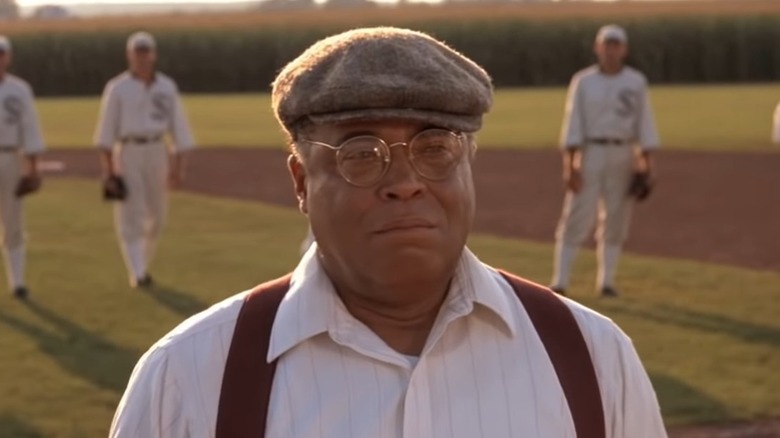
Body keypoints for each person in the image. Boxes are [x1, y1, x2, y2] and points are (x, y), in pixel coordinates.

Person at [110, 27, 667, 437]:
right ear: (301, 182)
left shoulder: (594, 360)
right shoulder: (186, 381)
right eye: (361, 154)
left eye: (435, 149)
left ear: (469, 164)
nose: (404, 182)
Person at [550, 24, 660, 297]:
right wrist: (570, 165)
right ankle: (560, 281)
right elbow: (573, 122)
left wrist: (647, 164)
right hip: (591, 152)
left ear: (623, 49)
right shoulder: (584, 81)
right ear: (598, 48)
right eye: (606, 44)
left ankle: (606, 282)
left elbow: (643, 123)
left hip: (623, 152)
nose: (610, 50)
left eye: (615, 45)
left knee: (617, 217)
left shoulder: (635, 81)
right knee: (577, 213)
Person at [94, 31, 194, 289]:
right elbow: (106, 131)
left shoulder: (166, 87)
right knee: (132, 211)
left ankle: (142, 264)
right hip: (128, 151)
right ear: (130, 55)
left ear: (153, 54)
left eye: (146, 51)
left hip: (157, 149)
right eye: (137, 52)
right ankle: (138, 272)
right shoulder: (118, 88)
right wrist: (109, 171)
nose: (142, 57)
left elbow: (179, 129)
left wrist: (178, 168)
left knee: (158, 215)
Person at [0, 35, 46, 300]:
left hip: (10, 156)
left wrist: (33, 168)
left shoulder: (19, 90)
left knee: (13, 221)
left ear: (8, 57)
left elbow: (30, 129)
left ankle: (17, 282)